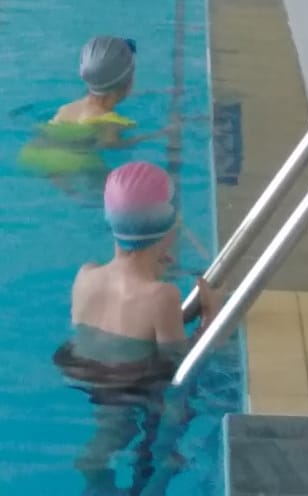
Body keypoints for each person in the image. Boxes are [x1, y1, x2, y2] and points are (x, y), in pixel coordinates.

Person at [67, 162, 220, 363]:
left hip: (75, 369)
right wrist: (209, 318)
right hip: (134, 381)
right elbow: (179, 362)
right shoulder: (162, 297)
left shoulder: (85, 276)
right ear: (170, 227)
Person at [19, 36, 147, 178]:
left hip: (33, 152)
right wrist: (151, 136)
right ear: (129, 85)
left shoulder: (68, 108)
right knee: (109, 181)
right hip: (73, 161)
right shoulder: (113, 122)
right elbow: (111, 144)